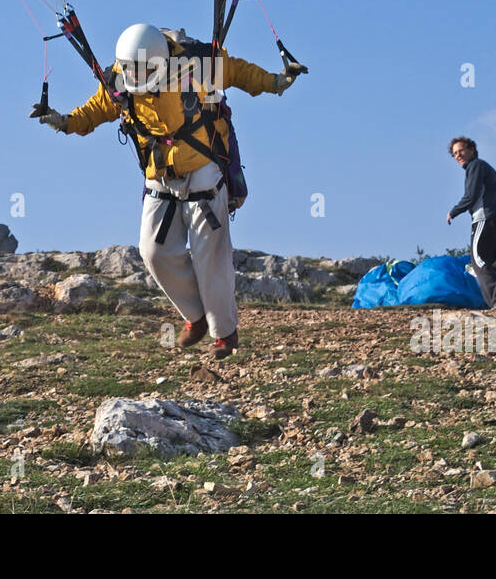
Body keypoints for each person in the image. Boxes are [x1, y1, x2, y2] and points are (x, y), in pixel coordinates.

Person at [33, 23, 304, 360]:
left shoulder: (196, 65)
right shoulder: (121, 77)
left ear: (160, 62)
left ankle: (225, 333)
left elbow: (238, 73)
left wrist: (277, 82)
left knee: (211, 257)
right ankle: (196, 316)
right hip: (159, 175)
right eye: (131, 69)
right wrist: (63, 121)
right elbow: (97, 109)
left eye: (144, 70)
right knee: (153, 251)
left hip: (203, 171)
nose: (136, 75)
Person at [444, 136, 496, 310]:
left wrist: (453, 211)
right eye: (455, 153)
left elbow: (471, 195)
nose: (458, 155)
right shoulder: (486, 168)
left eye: (461, 150)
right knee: (489, 264)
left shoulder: (475, 166)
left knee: (479, 262)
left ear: (472, 149)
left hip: (484, 218)